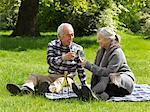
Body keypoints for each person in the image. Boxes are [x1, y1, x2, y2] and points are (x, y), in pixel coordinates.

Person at [6, 23, 86, 95]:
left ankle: (48, 89)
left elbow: (81, 68)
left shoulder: (78, 49)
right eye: (68, 35)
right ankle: (26, 89)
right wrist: (63, 58)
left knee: (61, 81)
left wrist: (84, 84)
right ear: (60, 36)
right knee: (34, 76)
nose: (71, 38)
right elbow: (50, 61)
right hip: (51, 76)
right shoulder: (52, 45)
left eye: (72, 35)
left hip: (67, 78)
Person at [72, 27, 135, 101]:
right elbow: (98, 71)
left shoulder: (117, 52)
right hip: (109, 82)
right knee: (105, 80)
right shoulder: (100, 51)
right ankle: (88, 94)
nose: (97, 41)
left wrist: (89, 66)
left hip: (123, 83)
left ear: (107, 39)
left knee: (109, 77)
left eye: (99, 38)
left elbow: (108, 72)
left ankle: (95, 95)